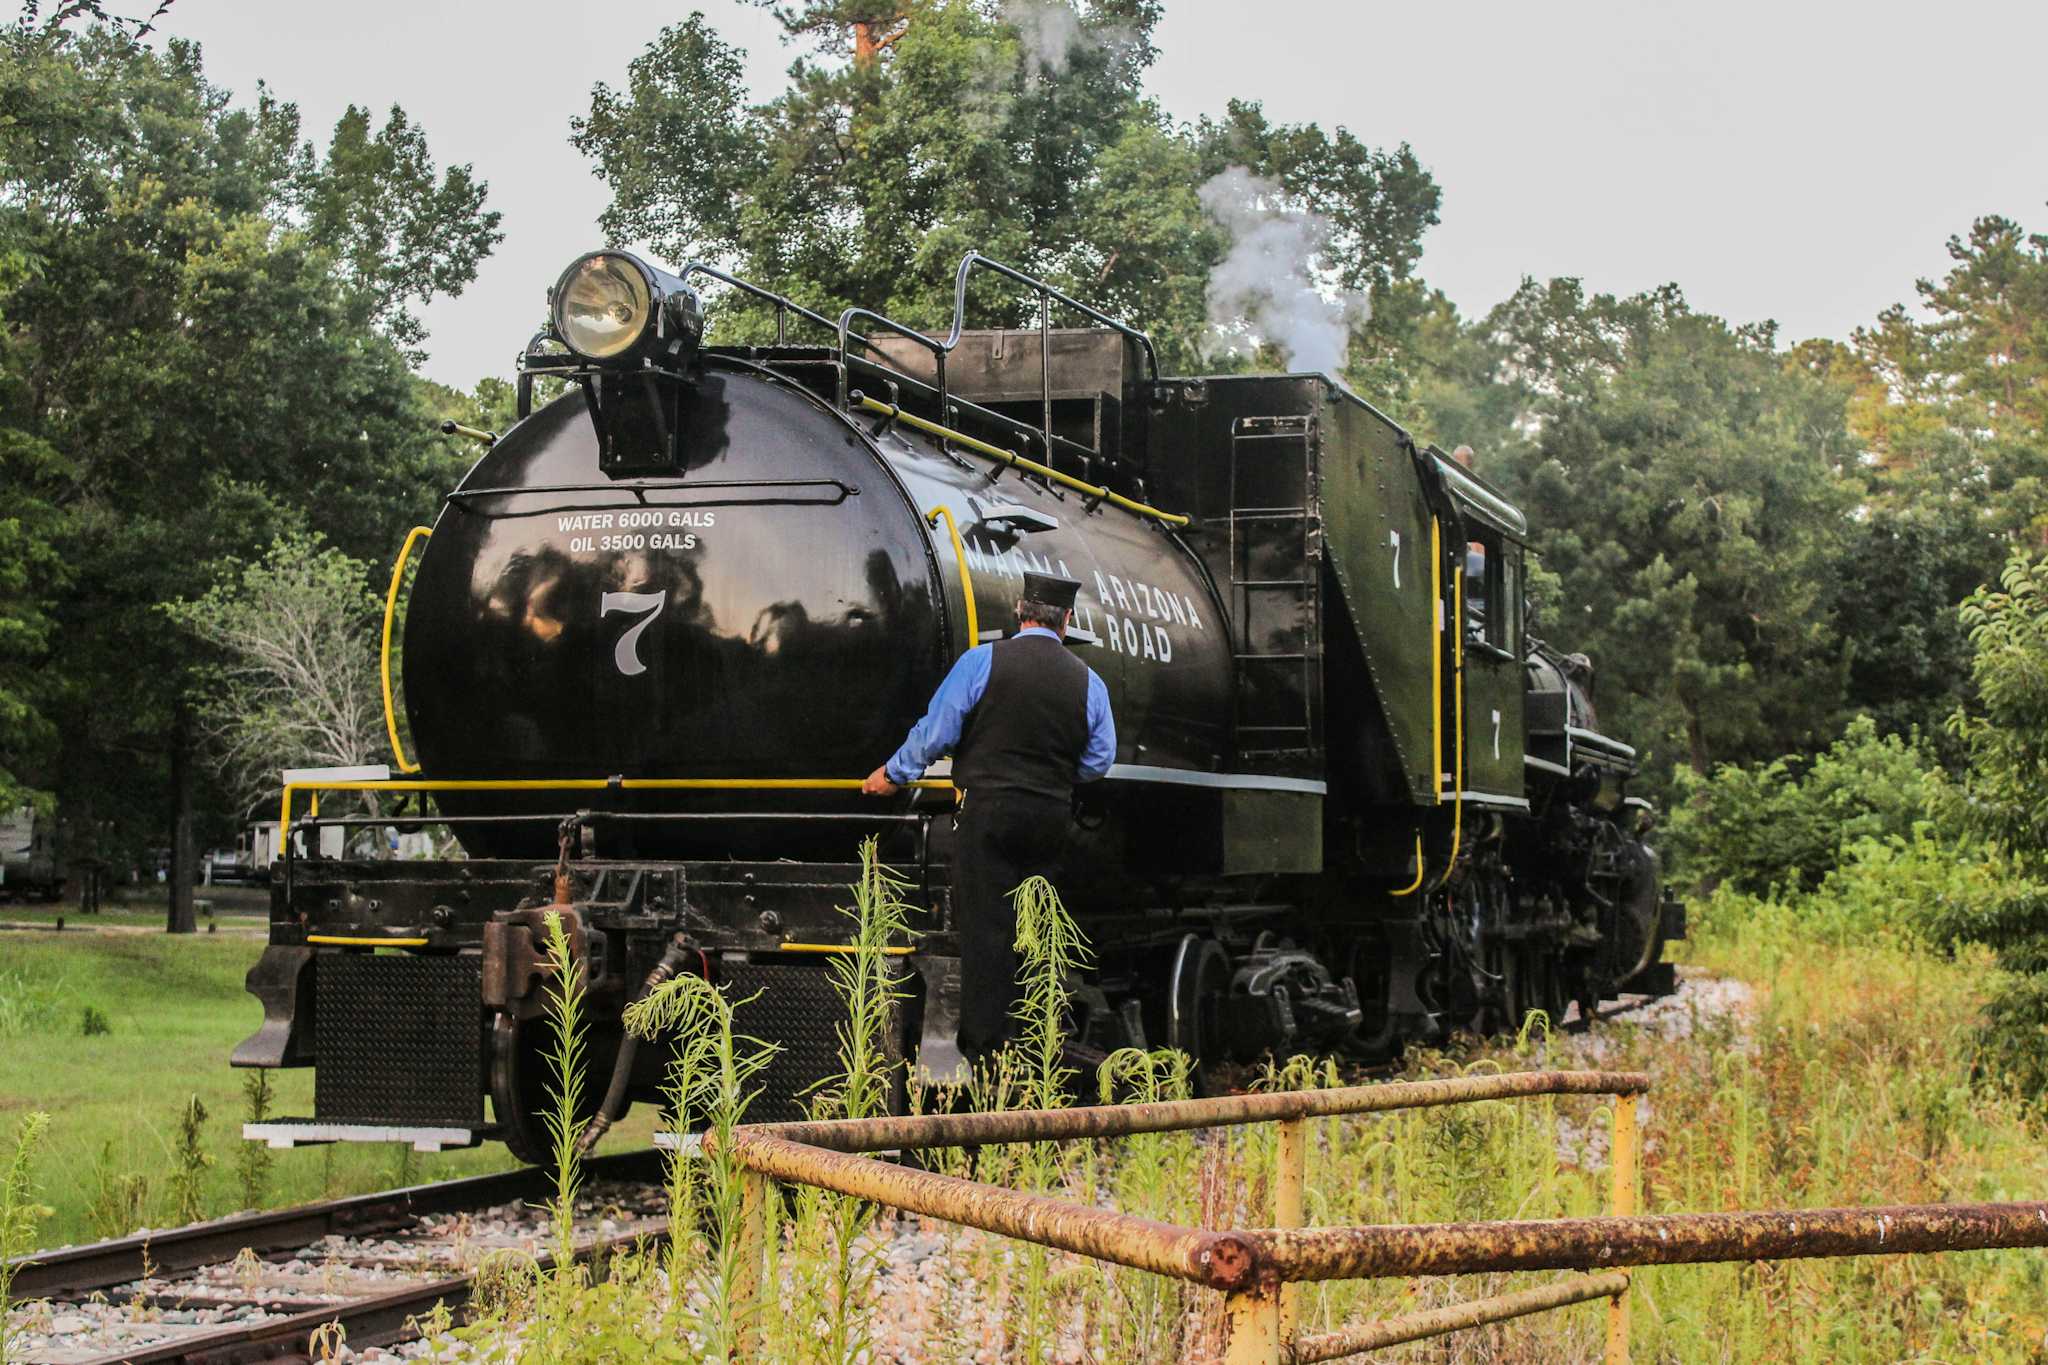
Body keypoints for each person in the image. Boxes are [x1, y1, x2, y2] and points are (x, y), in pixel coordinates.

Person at [862, 570, 1115, 1064]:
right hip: (1049, 814)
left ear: (1020, 612)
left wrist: (893, 774)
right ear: (1066, 620)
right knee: (1037, 925)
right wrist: (1052, 772)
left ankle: (985, 1053)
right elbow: (1099, 759)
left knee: (986, 929)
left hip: (987, 812)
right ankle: (1037, 1043)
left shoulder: (982, 662)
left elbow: (937, 730)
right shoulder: (1090, 682)